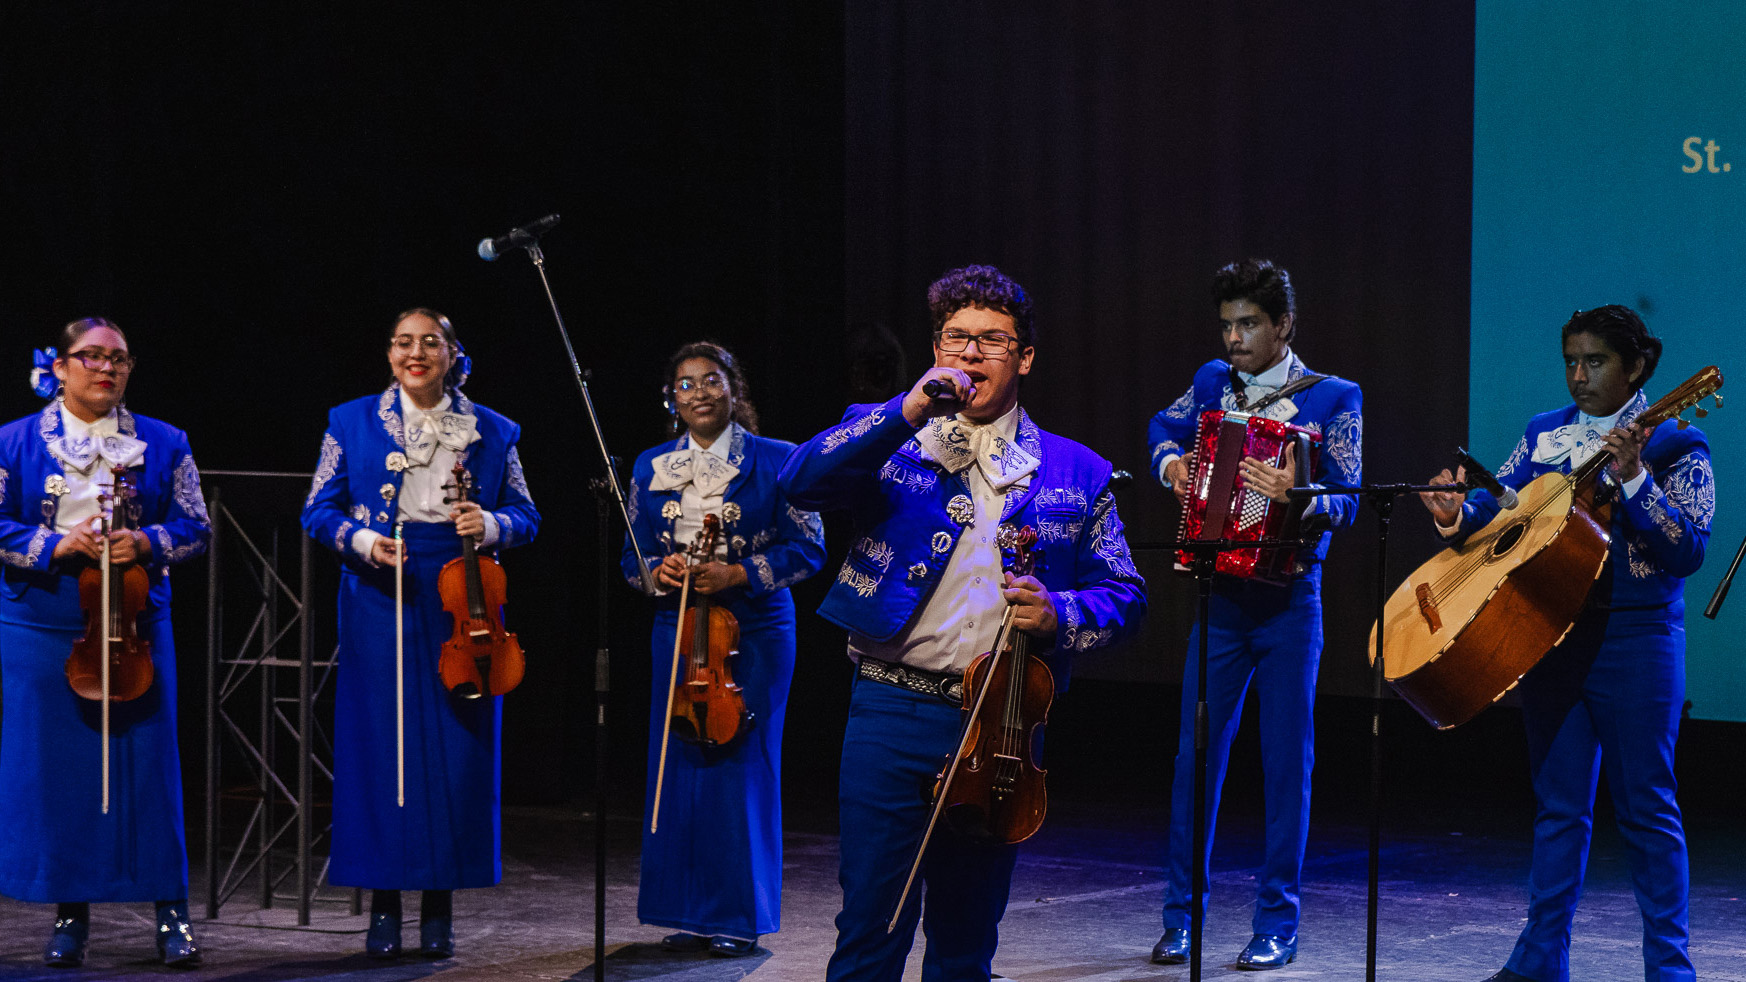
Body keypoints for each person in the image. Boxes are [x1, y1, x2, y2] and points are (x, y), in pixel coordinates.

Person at [781, 264, 1146, 982]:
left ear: (1026, 357)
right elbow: (799, 482)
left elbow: (1125, 596)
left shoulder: (1077, 471)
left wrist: (1062, 612)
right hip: (890, 707)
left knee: (965, 939)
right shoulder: (888, 436)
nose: (971, 353)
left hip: (1001, 723)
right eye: (956, 338)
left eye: (991, 340)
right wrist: (904, 409)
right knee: (870, 930)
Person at [1420, 306, 1708, 982]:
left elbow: (1687, 549)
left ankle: (1670, 969)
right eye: (1571, 361)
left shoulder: (1678, 443)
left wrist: (1634, 478)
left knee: (1647, 808)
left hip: (1637, 641)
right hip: (1550, 634)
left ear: (1635, 366)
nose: (1579, 376)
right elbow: (1505, 504)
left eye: (1596, 362)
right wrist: (1458, 513)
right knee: (1558, 806)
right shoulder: (1546, 433)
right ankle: (1541, 957)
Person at [302, 307, 539, 959]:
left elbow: (527, 514)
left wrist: (489, 525)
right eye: (403, 342)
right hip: (382, 592)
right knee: (382, 750)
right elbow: (317, 509)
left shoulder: (492, 429)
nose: (415, 352)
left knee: (455, 754)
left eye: (429, 342)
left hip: (464, 599)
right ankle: (383, 906)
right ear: (388, 354)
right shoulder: (349, 421)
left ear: (452, 353)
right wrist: (365, 540)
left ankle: (439, 906)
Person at [1145, 259, 1362, 969]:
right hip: (1220, 599)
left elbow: (1350, 497)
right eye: (1227, 324)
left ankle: (1278, 924)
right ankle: (1183, 919)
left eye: (1248, 324)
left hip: (1289, 602)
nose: (1234, 337)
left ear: (1283, 326)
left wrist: (1299, 495)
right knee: (1193, 761)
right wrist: (1173, 466)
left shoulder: (1333, 398)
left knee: (1284, 766)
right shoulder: (1213, 383)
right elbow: (1161, 425)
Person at [0, 318, 210, 968]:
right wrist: (56, 544)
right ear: (60, 367)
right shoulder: (12, 442)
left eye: (116, 359)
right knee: (61, 780)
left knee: (146, 771)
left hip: (134, 623)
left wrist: (145, 542)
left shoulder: (165, 442)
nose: (105, 369)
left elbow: (197, 526)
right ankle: (70, 915)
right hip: (43, 623)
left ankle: (171, 913)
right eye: (89, 357)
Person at [619, 341, 826, 957]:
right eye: (686, 385)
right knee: (680, 764)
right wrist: (662, 572)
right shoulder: (649, 465)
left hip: (755, 629)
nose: (700, 393)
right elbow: (632, 559)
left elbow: (809, 547)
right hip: (678, 631)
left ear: (734, 389)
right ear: (671, 399)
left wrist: (739, 574)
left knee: (742, 764)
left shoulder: (780, 460)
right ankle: (686, 911)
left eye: (712, 381)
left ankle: (738, 916)